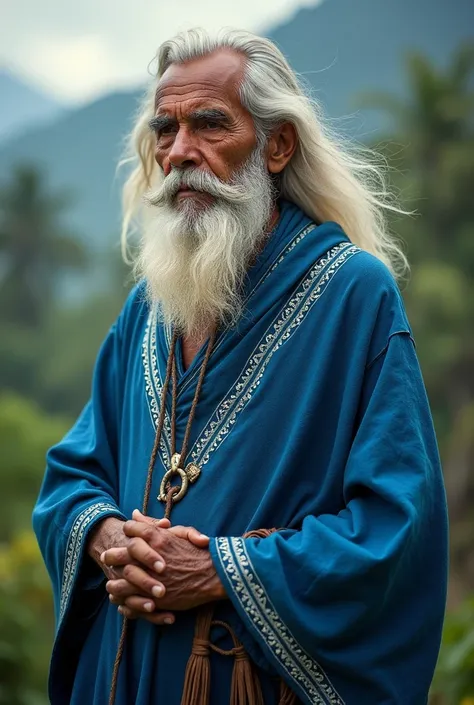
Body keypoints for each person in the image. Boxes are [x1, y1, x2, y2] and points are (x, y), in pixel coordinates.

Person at [33, 27, 448, 705]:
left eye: (210, 125)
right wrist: (109, 538)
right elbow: (73, 476)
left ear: (277, 144)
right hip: (119, 678)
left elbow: (394, 531)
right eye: (164, 129)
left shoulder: (353, 294)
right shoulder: (148, 306)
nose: (179, 153)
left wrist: (223, 568)